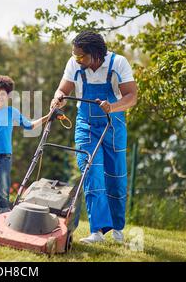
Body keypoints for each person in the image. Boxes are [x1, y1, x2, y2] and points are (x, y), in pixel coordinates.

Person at [50, 31, 138, 244]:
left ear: (95, 55)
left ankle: (117, 228)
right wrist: (58, 98)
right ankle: (97, 231)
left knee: (115, 178)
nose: (77, 59)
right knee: (91, 172)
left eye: (81, 56)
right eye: (75, 55)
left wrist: (113, 107)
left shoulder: (119, 63)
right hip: (86, 125)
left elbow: (132, 97)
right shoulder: (75, 64)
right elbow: (62, 89)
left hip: (113, 126)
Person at [0, 75, 50, 227]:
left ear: (8, 96)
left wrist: (48, 116)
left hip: (5, 157)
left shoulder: (12, 112)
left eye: (2, 94)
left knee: (3, 188)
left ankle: (4, 215)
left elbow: (29, 126)